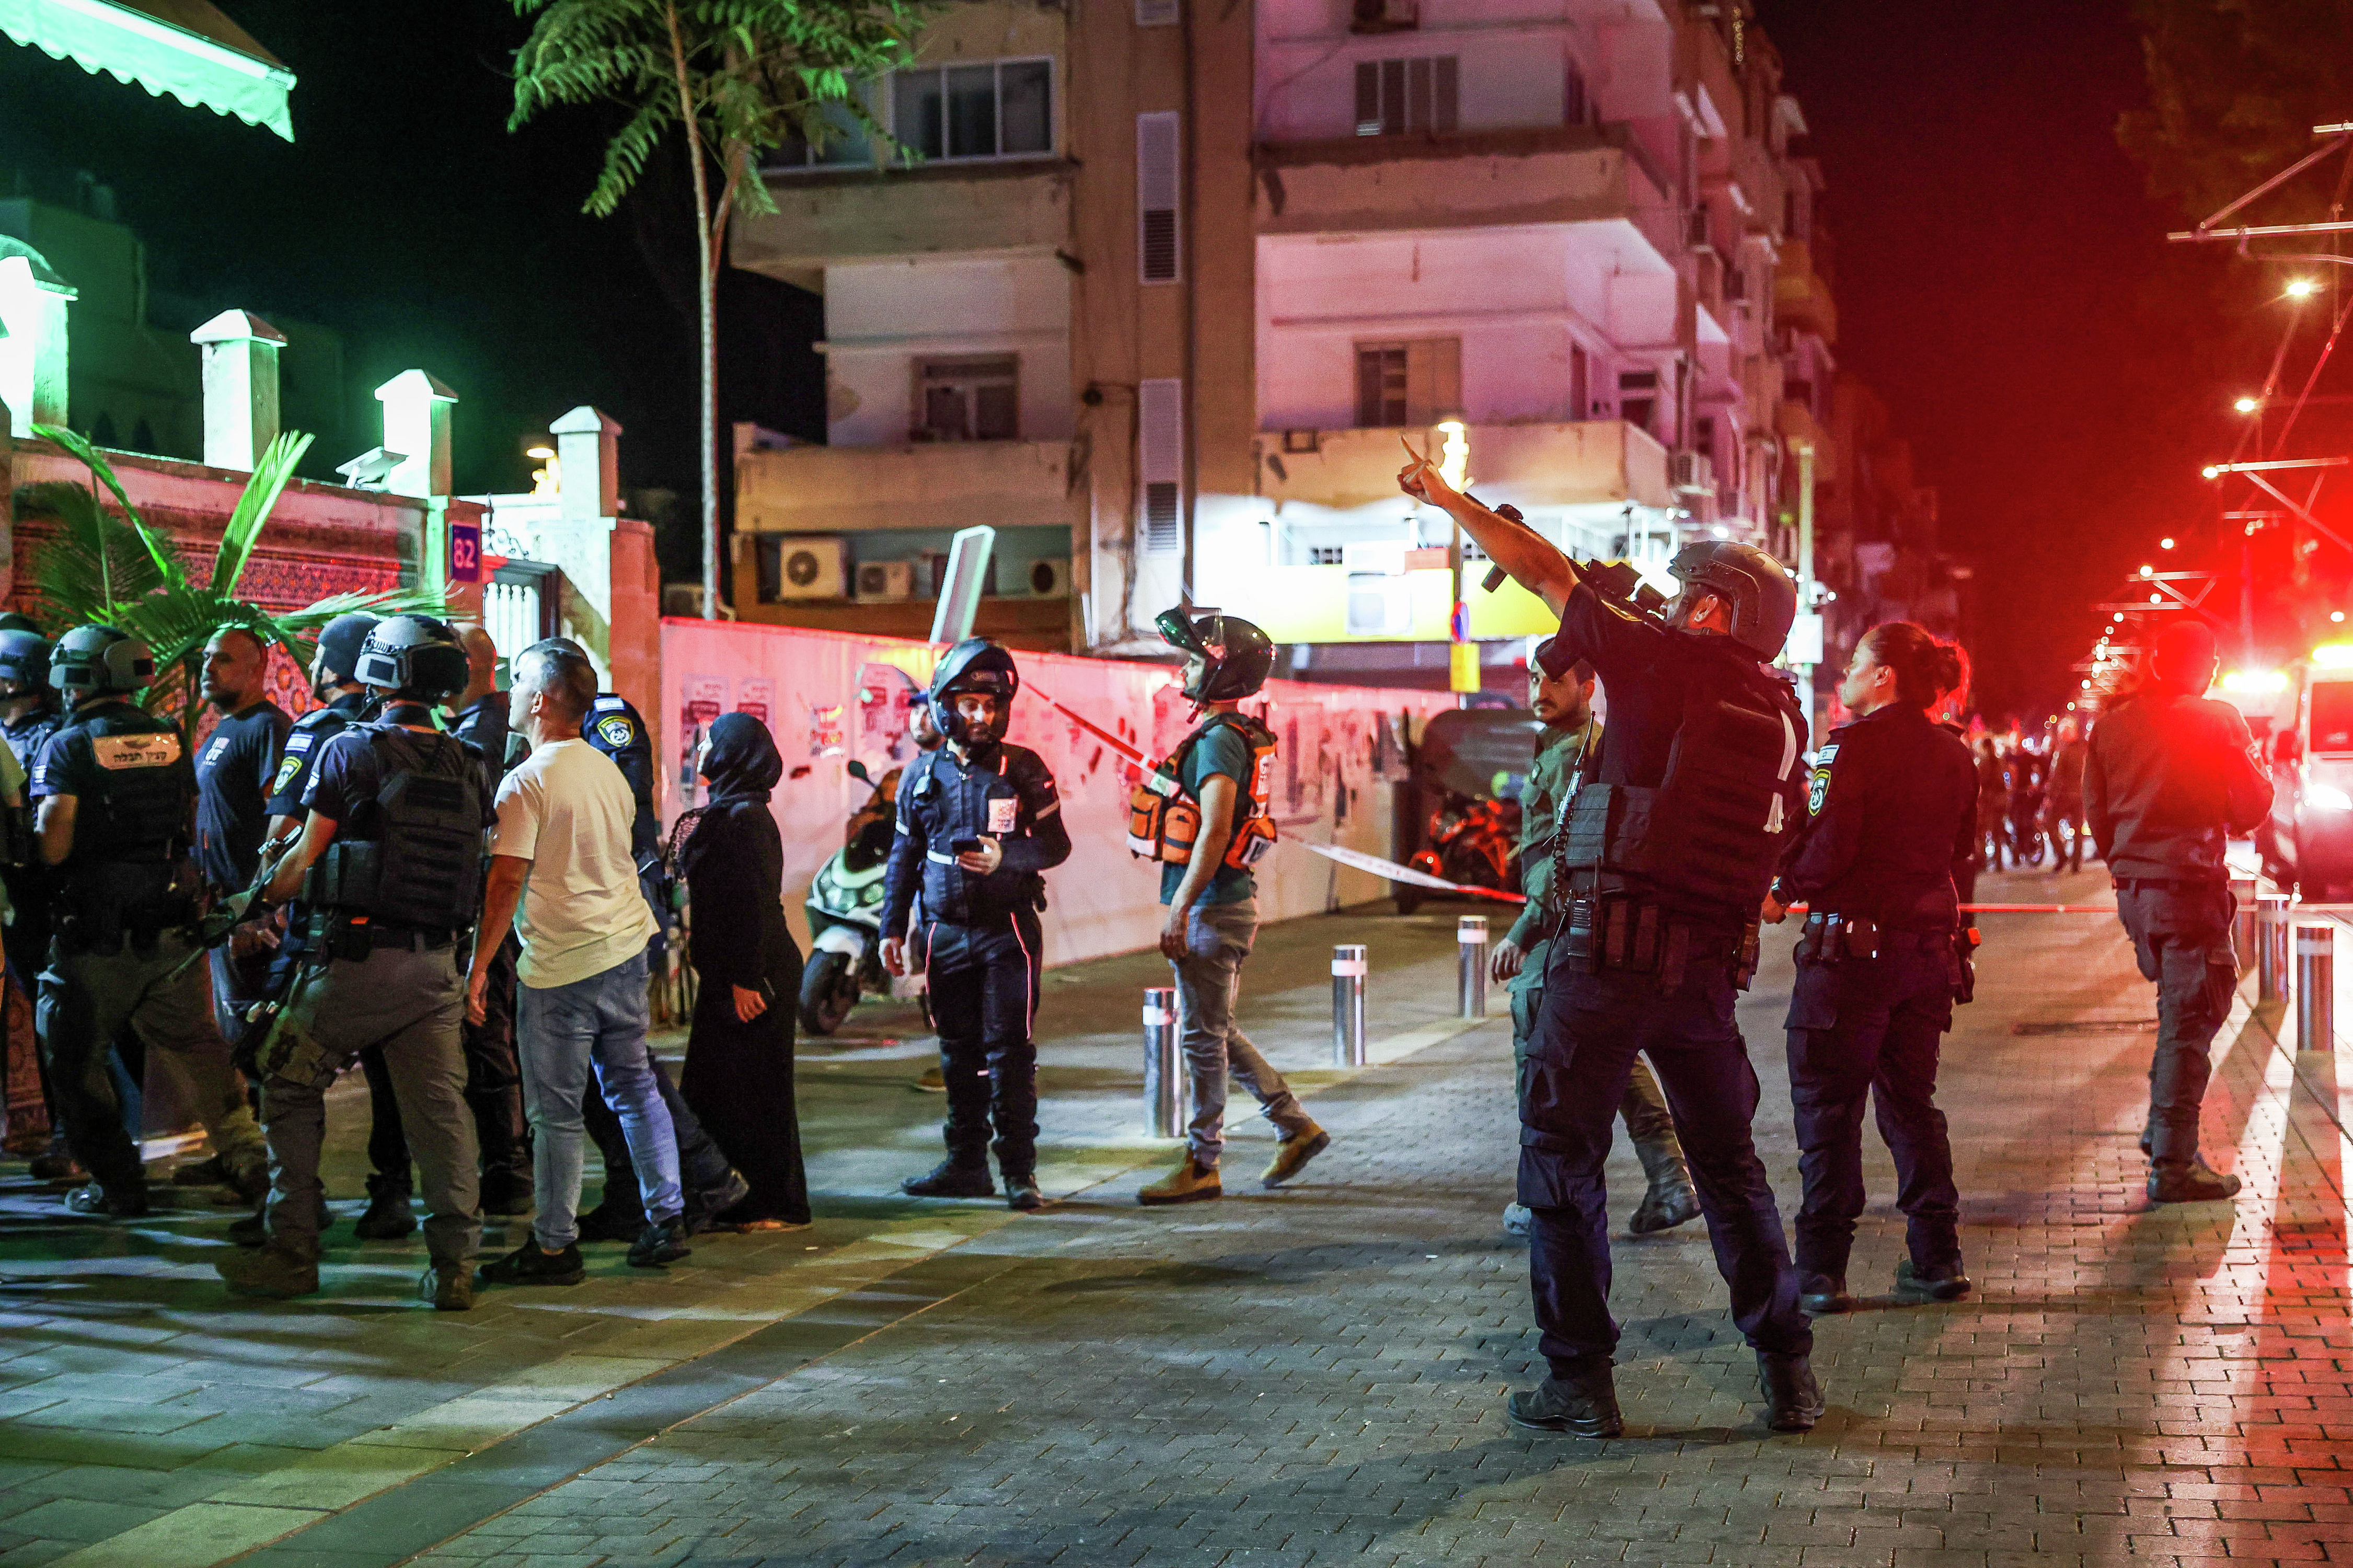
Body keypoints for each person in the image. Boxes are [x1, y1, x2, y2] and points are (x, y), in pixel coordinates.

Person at [1400, 452, 1822, 1437]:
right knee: (1731, 1175)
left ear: (1718, 610)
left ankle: (1579, 1382)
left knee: (1561, 1163)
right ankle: (1786, 1374)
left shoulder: (1655, 664)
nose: (1672, 605)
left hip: (1602, 965)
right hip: (1704, 984)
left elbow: (1547, 571)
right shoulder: (1783, 717)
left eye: (1688, 594)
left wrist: (1451, 499)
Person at [215, 616, 492, 1307]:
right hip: (435, 969)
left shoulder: (350, 750)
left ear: (384, 671)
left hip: (353, 964)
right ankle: (455, 1266)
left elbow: (301, 857)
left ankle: (292, 1251)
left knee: (286, 1083)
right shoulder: (469, 761)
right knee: (441, 1118)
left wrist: (250, 904)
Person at [1765, 622, 1978, 1316]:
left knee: (1828, 1111)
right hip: (1925, 955)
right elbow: (1962, 847)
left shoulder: (1847, 749)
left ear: (1883, 675)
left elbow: (1828, 844)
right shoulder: (1955, 756)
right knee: (1912, 1107)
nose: (1845, 676)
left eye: (1856, 663)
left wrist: (1780, 888)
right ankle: (1937, 1257)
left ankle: (1823, 1271)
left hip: (1850, 959)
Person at [30, 625, 269, 1216]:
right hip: (171, 931)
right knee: (199, 1051)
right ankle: (253, 1165)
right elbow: (189, 822)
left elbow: (54, 844)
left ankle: (117, 1185)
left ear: (83, 673)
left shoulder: (68, 744)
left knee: (72, 1055)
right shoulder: (166, 735)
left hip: (98, 941)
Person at [471, 639, 689, 1283]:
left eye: (515, 682)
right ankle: (666, 1219)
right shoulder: (605, 768)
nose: (508, 694)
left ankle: (553, 1246)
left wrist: (479, 967)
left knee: (555, 1113)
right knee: (633, 1087)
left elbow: (505, 882)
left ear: (539, 701)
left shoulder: (527, 781)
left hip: (563, 965)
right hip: (625, 949)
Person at [1495, 643, 1698, 1242]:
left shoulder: (1571, 754)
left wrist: (1520, 931)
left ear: (1588, 687)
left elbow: (1561, 857)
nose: (1541, 689)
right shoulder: (1578, 746)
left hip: (1559, 928)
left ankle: (1544, 1196)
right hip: (1582, 925)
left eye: (1555, 679)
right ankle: (1669, 1179)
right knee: (1605, 1048)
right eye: (1534, 677)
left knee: (1538, 1048)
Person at [1133, 612, 1331, 1205]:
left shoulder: (1220, 741)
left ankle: (1202, 1162)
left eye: (1192, 661)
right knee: (1216, 1029)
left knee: (1202, 1038)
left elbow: (1214, 831)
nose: (1182, 671)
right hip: (1225, 906)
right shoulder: (1240, 734)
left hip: (1213, 908)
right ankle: (1294, 1126)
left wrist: (1179, 910)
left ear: (1221, 673)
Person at [240, 612, 421, 1242]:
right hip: (402, 928)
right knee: (391, 1073)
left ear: (340, 664)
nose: (311, 666)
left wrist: (262, 899)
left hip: (321, 927)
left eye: (320, 655)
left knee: (284, 1063)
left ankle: (297, 1203)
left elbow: (283, 831)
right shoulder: (414, 733)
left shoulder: (317, 730)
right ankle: (392, 1193)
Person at [879, 638, 1071, 1211]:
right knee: (955, 1051)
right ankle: (966, 1166)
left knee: (1010, 1051)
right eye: (969, 704)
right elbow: (903, 856)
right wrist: (891, 928)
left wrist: (1005, 859)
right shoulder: (918, 776)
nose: (981, 715)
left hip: (1006, 933)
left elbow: (1056, 845)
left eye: (991, 705)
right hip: (943, 934)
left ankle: (1019, 1173)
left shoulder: (1024, 768)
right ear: (945, 706)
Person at [2084, 619, 2271, 1204]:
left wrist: (2125, 864)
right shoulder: (2216, 719)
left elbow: (2095, 809)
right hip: (2187, 889)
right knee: (2192, 1018)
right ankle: (2171, 1164)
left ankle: (2162, 1129)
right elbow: (2250, 804)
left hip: (2136, 892)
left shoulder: (2111, 725)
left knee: (2182, 1012)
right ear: (2203, 664)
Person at [672, 714, 810, 1228]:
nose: (703, 748)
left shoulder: (744, 818)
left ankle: (768, 1203)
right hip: (739, 968)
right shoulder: (731, 812)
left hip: (753, 971)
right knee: (722, 1087)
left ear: (733, 754)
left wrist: (746, 979)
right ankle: (727, 1198)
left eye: (711, 742)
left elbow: (749, 904)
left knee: (754, 1089)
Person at [444, 625, 532, 1215]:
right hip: (487, 907)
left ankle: (507, 1168)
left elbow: (490, 840)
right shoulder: (480, 727)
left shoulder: (486, 734)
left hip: (486, 910)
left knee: (486, 1035)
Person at [191, 628, 292, 1048]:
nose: (208, 668)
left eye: (223, 660)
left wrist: (259, 911)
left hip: (248, 918)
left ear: (257, 670)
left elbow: (286, 822)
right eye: (206, 659)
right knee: (233, 1036)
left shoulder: (267, 726)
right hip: (221, 913)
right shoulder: (223, 730)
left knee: (253, 1043)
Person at [0, 619, 74, 1180]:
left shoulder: (50, 737)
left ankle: (77, 1141)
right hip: (18, 898)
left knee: (67, 1025)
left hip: (45, 899)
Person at [2046, 718, 2088, 873]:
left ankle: (2062, 855)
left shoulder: (2062, 752)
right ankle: (2076, 863)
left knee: (2049, 824)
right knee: (2078, 829)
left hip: (2065, 796)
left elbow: (2056, 777)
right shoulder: (2085, 750)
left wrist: (2050, 798)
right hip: (2081, 795)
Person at [1973, 739, 2009, 872]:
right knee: (1997, 833)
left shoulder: (1981, 761)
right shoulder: (1999, 760)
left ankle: (1982, 862)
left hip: (1987, 800)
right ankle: (1999, 863)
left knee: (1982, 832)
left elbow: (1980, 780)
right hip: (1999, 800)